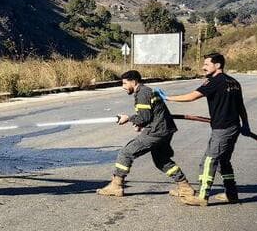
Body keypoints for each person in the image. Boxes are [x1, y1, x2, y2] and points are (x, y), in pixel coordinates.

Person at [159, 52, 249, 206]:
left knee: (208, 161)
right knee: (223, 162)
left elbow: (192, 96)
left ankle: (202, 196)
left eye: (207, 64)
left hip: (222, 128)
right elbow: (241, 106)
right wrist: (246, 125)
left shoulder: (214, 81)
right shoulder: (234, 82)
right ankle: (232, 194)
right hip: (233, 127)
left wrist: (168, 98)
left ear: (218, 65)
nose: (203, 67)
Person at [97, 70, 194, 198]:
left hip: (156, 132)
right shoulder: (144, 91)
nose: (123, 87)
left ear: (134, 81)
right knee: (162, 160)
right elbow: (148, 116)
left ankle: (116, 185)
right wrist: (140, 123)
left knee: (126, 152)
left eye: (125, 83)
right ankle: (185, 186)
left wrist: (129, 118)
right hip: (163, 130)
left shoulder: (143, 93)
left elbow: (144, 117)